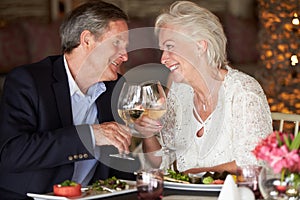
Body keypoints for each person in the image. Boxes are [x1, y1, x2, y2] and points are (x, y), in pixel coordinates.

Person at [0, 1, 138, 199]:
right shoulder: (28, 81)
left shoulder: (116, 87)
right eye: (116, 43)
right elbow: (11, 154)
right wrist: (91, 135)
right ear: (87, 40)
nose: (125, 56)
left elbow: (119, 165)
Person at [138, 1, 273, 175]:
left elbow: (254, 164)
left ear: (200, 46)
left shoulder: (243, 90)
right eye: (162, 49)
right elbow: (164, 162)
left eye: (170, 47)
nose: (163, 58)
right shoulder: (179, 91)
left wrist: (192, 175)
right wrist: (147, 134)